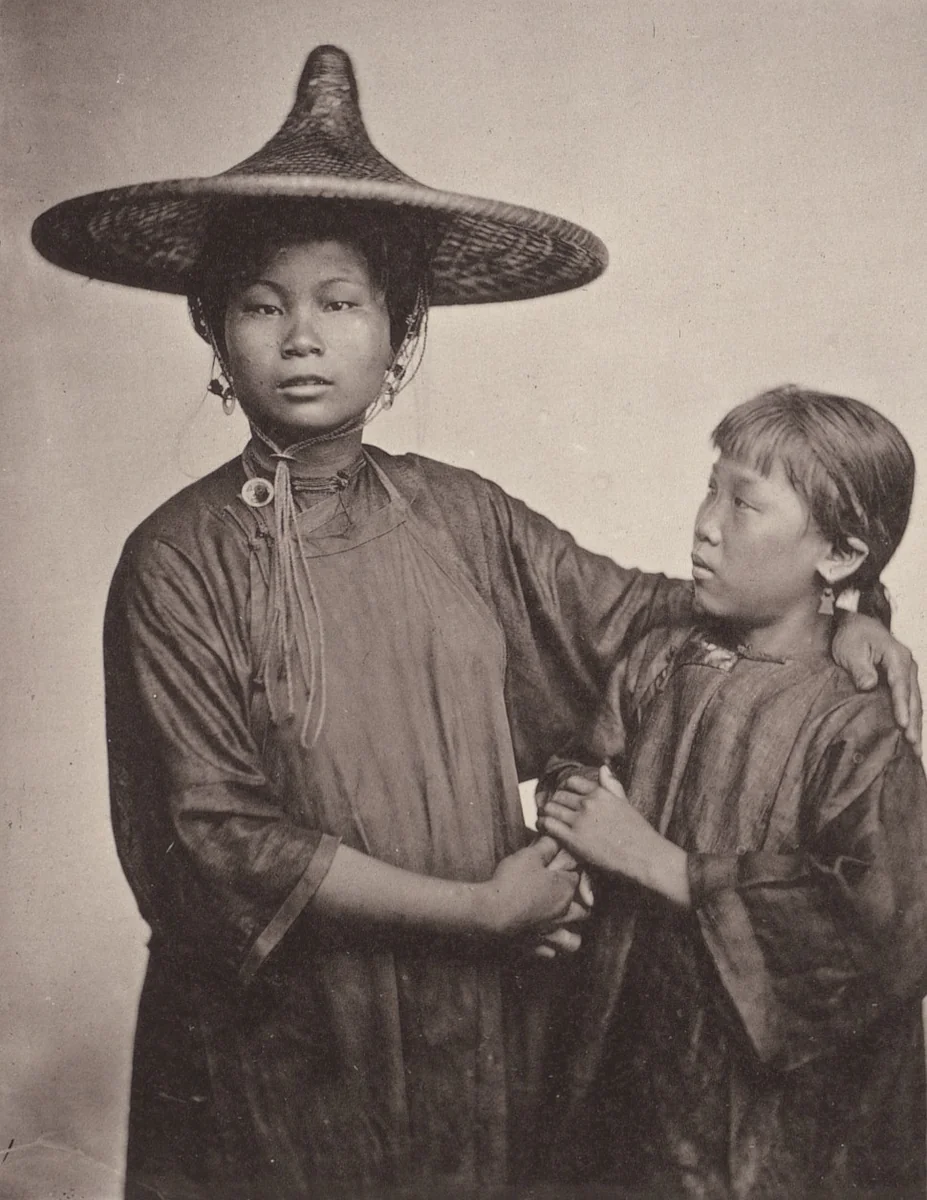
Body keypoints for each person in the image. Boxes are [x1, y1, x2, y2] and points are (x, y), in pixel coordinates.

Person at [31, 47, 920, 1200]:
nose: (301, 336)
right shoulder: (177, 561)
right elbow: (214, 840)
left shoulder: (461, 518)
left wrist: (852, 610)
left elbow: (652, 619)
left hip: (473, 1032)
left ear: (401, 331)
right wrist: (481, 911)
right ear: (213, 329)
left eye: (340, 302)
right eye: (261, 303)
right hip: (281, 1042)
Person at [538, 386, 927, 1199]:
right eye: (709, 489)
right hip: (632, 1079)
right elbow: (582, 768)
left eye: (743, 503)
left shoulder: (857, 718)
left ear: (839, 555)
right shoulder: (658, 659)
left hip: (774, 1139)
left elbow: (885, 926)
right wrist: (572, 830)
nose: (704, 524)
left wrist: (667, 868)